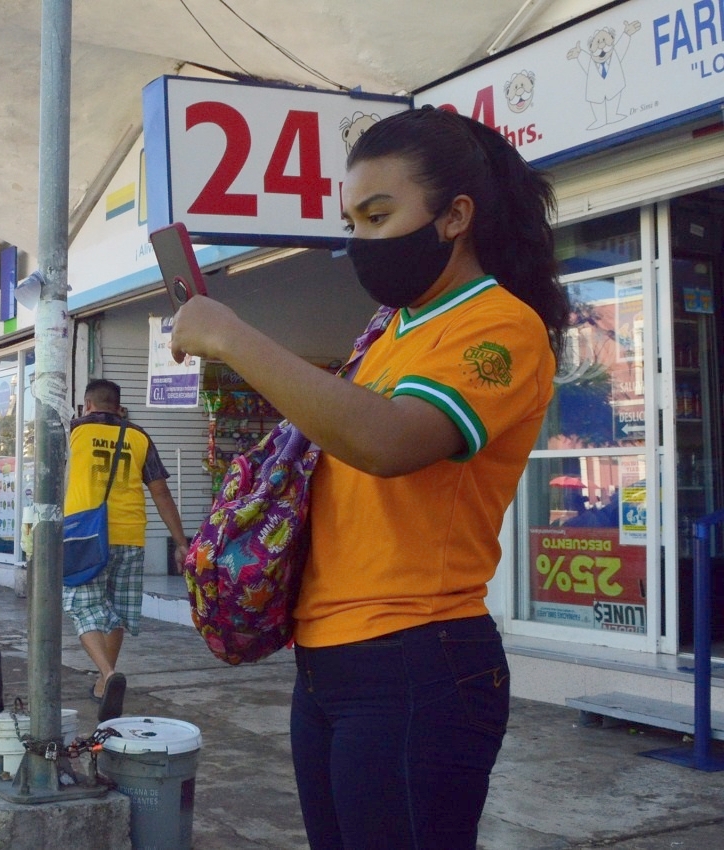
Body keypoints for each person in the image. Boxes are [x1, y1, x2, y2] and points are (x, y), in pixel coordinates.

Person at [170, 105, 567, 849]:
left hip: (418, 660)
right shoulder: (390, 330)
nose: (360, 241)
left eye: (378, 216)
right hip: (328, 661)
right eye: (351, 222)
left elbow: (387, 441)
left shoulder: (499, 324)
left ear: (454, 216)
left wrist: (230, 334)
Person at [62, 379, 188, 722]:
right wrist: (180, 541)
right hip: (130, 534)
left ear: (87, 405)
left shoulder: (72, 432)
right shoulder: (138, 436)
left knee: (82, 606)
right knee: (116, 609)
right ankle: (104, 684)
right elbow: (161, 492)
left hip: (85, 535)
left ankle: (107, 672)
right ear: (119, 408)